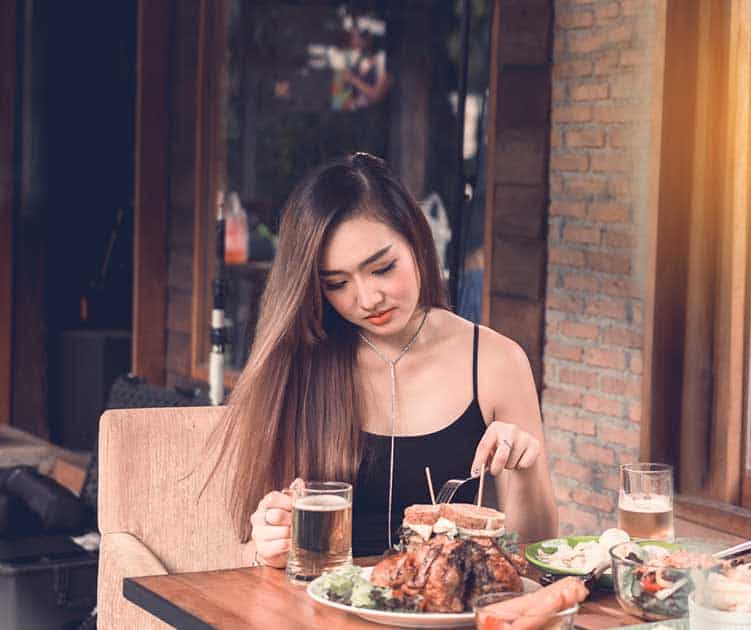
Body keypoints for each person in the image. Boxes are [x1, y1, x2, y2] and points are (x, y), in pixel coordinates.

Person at [210, 152, 558, 568]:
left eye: (382, 268)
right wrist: (269, 544)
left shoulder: (497, 362)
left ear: (416, 240)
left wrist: (524, 466)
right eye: (337, 284)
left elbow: (534, 554)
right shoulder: (300, 363)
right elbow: (252, 549)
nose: (367, 299)